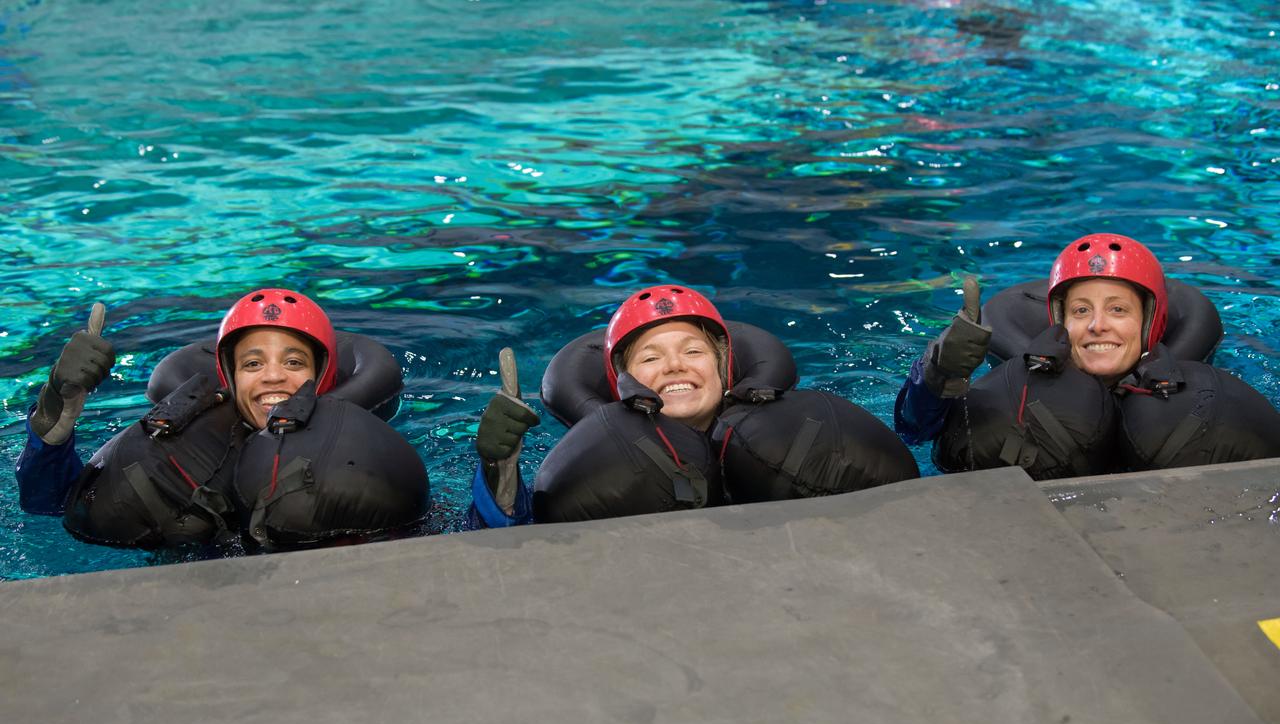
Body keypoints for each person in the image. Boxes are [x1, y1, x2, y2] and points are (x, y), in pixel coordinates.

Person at [469, 285, 919, 527]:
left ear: (725, 369)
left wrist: (934, 385)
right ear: (621, 381)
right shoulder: (592, 458)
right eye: (650, 357)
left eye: (694, 351)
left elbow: (913, 441)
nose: (674, 366)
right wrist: (498, 470)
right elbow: (512, 536)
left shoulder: (793, 431)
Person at [17, 288, 428, 549]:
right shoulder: (183, 445)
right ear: (229, 378)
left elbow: (440, 535)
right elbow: (54, 511)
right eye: (252, 363)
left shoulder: (360, 456)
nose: (272, 376)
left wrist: (492, 489)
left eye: (293, 361)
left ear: (323, 376)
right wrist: (54, 427)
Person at [894, 232, 1280, 477]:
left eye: (1118, 310)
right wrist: (938, 373)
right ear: (1059, 321)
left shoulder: (1199, 399)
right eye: (1081, 311)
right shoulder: (1016, 390)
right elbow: (913, 433)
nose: (1097, 325)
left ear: (1149, 323)